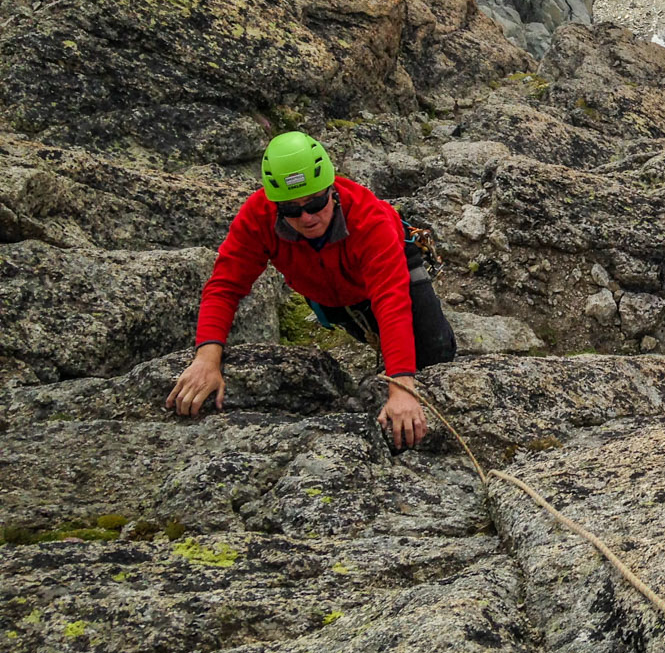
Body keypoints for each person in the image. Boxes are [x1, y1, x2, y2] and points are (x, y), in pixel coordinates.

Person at [166, 131, 456, 447]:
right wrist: (207, 358)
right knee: (376, 333)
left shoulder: (368, 218)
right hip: (330, 293)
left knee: (435, 351)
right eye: (291, 209)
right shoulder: (258, 216)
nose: (307, 217)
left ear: (331, 190)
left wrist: (401, 386)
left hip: (394, 264)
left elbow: (390, 299)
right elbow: (225, 284)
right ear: (275, 204)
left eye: (315, 202)